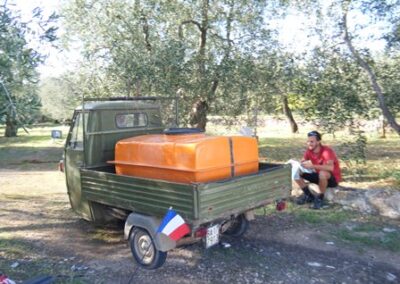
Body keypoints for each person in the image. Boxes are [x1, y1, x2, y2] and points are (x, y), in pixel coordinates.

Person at [295, 131, 342, 209]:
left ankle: (319, 198)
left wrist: (312, 166)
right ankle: (308, 195)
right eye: (308, 141)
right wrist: (299, 164)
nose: (309, 143)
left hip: (331, 179)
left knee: (322, 173)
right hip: (319, 176)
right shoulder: (309, 151)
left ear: (318, 142)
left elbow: (330, 168)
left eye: (312, 141)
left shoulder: (327, 151)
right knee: (296, 171)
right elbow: (303, 160)